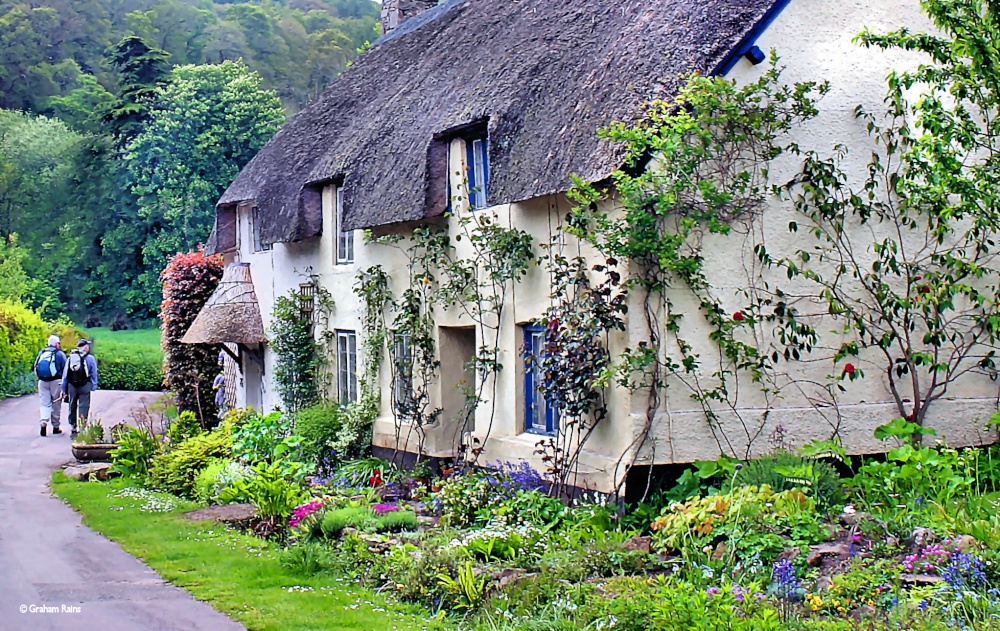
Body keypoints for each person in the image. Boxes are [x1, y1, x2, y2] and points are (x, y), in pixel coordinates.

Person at [63, 339, 98, 438]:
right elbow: (93, 373)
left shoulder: (71, 358)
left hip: (72, 386)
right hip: (85, 385)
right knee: (84, 406)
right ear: (86, 347)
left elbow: (65, 374)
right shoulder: (90, 358)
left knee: (72, 405)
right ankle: (82, 428)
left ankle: (73, 428)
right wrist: (93, 385)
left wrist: (63, 388)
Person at [34, 335, 67, 437]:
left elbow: (35, 366)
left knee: (44, 403)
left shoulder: (42, 353)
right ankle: (55, 427)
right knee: (56, 403)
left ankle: (43, 422)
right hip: (56, 381)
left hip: (42, 381)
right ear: (56, 344)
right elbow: (65, 369)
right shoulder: (59, 354)